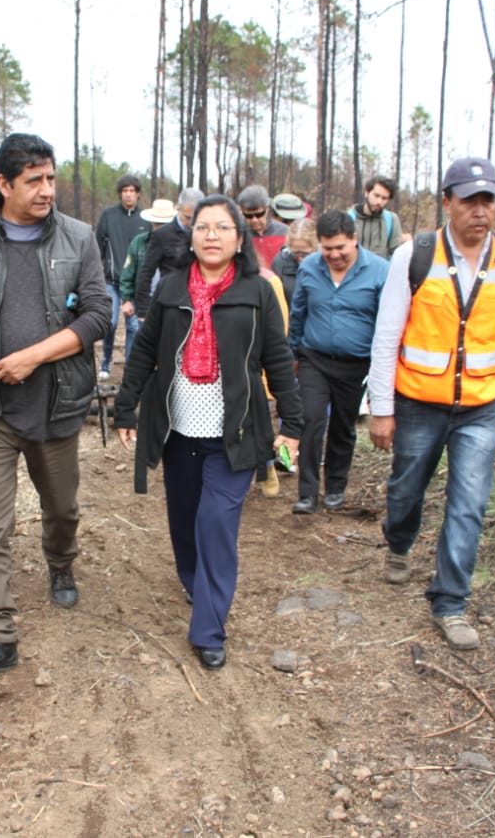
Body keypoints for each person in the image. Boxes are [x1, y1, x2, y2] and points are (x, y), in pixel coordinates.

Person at [0, 133, 112, 678]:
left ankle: (60, 565)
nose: (47, 190)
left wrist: (33, 356)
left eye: (51, 179)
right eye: (34, 180)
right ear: (3, 184)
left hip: (55, 405)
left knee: (62, 511)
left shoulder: (78, 238)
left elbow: (100, 316)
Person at [114, 195, 302, 670]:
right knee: (183, 520)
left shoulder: (257, 290)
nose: (212, 235)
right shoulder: (172, 287)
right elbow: (145, 350)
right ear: (191, 235)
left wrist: (292, 424)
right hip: (178, 430)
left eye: (222, 227)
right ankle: (197, 583)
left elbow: (278, 358)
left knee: (215, 523)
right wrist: (125, 408)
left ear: (240, 238)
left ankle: (209, 626)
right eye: (203, 227)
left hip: (235, 432)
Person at [367, 156, 495, 652]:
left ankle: (450, 602)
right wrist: (380, 407)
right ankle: (398, 541)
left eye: (488, 201)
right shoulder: (414, 257)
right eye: (469, 201)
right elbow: (387, 335)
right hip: (419, 401)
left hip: (482, 405)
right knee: (406, 490)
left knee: (468, 504)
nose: (480, 211)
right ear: (447, 203)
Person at [288, 211, 389, 515]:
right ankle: (307, 493)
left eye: (340, 247)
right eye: (327, 248)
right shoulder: (308, 268)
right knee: (310, 420)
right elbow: (298, 313)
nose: (334, 255)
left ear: (354, 240)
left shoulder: (380, 271)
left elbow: (387, 323)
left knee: (344, 427)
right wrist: (292, 353)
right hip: (314, 360)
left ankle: (335, 487)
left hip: (356, 365)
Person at [95, 175, 151, 380]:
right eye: (124, 190)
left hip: (137, 284)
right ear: (120, 193)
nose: (128, 194)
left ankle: (130, 366)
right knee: (109, 322)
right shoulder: (108, 215)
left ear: (138, 194)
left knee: (133, 326)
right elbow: (97, 246)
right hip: (111, 279)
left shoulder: (145, 219)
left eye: (132, 191)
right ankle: (105, 363)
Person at [119, 198, 177, 360]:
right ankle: (132, 377)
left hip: (169, 302)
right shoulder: (139, 243)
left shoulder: (182, 245)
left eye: (164, 224)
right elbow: (127, 274)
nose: (160, 228)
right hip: (142, 301)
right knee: (137, 338)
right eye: (157, 223)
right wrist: (126, 299)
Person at [135, 187, 204, 319]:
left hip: (199, 301)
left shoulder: (206, 234)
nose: (191, 222)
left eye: (196, 217)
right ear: (178, 209)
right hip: (171, 302)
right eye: (187, 217)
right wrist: (143, 310)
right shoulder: (162, 235)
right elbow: (146, 271)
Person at [348, 176, 406, 260]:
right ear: (367, 193)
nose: (379, 202)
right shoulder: (349, 218)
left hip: (381, 271)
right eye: (376, 195)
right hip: (354, 271)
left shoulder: (391, 219)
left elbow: (396, 253)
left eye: (384, 198)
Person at [237, 185, 289, 267]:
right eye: (249, 216)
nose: (254, 220)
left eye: (259, 215)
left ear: (267, 209)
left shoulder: (285, 232)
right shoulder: (239, 235)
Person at [270, 217, 318, 307]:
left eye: (305, 254)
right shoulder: (280, 263)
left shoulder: (325, 262)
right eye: (296, 253)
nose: (300, 259)